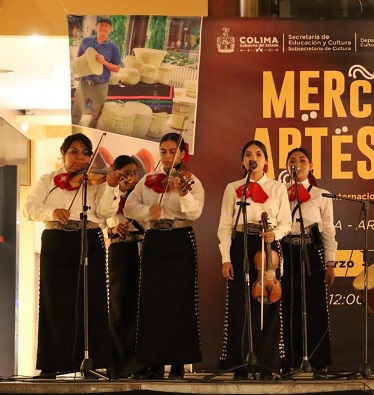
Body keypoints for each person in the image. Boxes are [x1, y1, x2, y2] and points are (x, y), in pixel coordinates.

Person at [23, 133, 121, 378]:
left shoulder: (95, 182)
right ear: (63, 153)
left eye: (86, 153)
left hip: (89, 238)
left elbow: (105, 212)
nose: (80, 158)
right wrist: (53, 212)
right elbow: (29, 208)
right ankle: (51, 364)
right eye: (74, 152)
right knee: (54, 302)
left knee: (91, 300)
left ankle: (92, 362)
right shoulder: (48, 180)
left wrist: (111, 187)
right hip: (56, 240)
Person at [123, 133, 204, 379]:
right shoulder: (148, 180)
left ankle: (178, 364)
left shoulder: (191, 181)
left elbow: (195, 213)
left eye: (172, 151)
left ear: (182, 154)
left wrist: (182, 193)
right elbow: (129, 207)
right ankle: (154, 362)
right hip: (154, 240)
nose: (167, 156)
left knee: (180, 301)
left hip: (180, 239)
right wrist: (148, 210)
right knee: (153, 302)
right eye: (163, 151)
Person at [217, 140, 292, 379]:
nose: (254, 158)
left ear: (266, 161)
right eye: (248, 154)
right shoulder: (233, 188)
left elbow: (286, 222)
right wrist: (226, 258)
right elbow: (224, 226)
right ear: (243, 161)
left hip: (267, 246)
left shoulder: (278, 188)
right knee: (240, 306)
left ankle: (267, 365)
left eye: (259, 154)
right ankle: (240, 365)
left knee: (267, 304)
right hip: (241, 244)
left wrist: (274, 234)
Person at [281, 148, 336, 372]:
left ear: (311, 166)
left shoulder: (321, 195)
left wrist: (330, 262)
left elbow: (328, 230)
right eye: (292, 161)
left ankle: (319, 362)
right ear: (287, 167)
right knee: (288, 306)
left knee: (315, 306)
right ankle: (290, 362)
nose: (297, 164)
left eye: (303, 160)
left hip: (311, 251)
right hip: (285, 250)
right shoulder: (279, 193)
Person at [103, 155, 143, 378]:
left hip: (141, 247)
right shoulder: (107, 193)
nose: (131, 178)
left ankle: (140, 364)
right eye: (126, 173)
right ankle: (117, 364)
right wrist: (112, 230)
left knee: (140, 304)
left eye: (135, 173)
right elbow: (99, 221)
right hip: (118, 249)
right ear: (116, 173)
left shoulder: (142, 193)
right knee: (118, 305)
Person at [71, 17, 121, 128]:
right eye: (101, 24)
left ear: (110, 29)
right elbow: (79, 58)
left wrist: (104, 62)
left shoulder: (114, 48)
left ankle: (91, 135)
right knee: (76, 113)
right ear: (96, 27)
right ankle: (71, 132)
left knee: (96, 116)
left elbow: (117, 68)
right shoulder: (86, 41)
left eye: (106, 25)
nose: (103, 27)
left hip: (100, 87)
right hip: (83, 84)